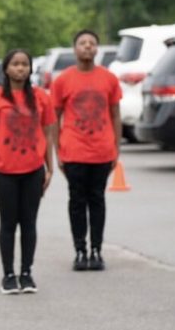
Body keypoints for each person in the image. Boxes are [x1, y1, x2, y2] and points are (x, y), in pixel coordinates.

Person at [0, 49, 56, 295]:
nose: (20, 68)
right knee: (8, 223)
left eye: (25, 64)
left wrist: (50, 167)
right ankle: (8, 275)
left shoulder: (41, 97)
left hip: (33, 170)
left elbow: (48, 134)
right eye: (15, 64)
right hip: (4, 171)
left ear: (30, 69)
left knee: (29, 223)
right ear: (6, 69)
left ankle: (26, 273)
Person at [51, 29, 122, 271]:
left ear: (97, 49)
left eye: (92, 43)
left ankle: (96, 250)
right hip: (74, 150)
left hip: (102, 150)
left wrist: (116, 147)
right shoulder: (63, 80)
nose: (87, 46)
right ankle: (80, 250)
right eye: (83, 43)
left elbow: (115, 114)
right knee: (77, 201)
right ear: (75, 49)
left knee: (97, 199)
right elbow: (54, 117)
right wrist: (57, 150)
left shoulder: (108, 79)